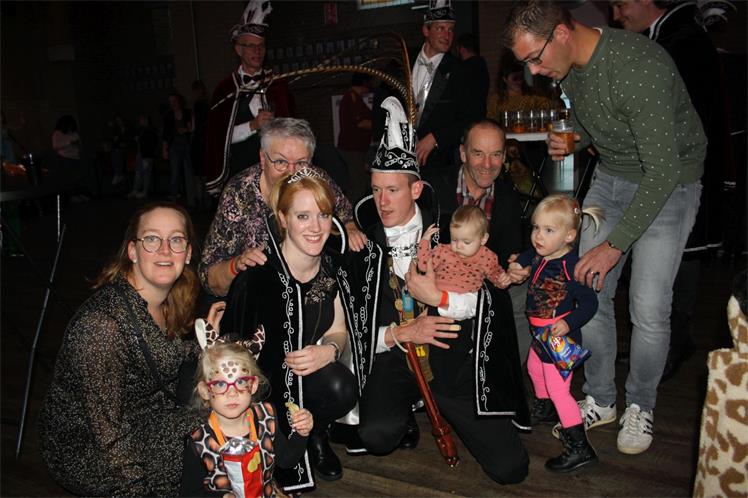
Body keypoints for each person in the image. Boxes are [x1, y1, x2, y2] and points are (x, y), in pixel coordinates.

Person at [504, 0, 706, 455]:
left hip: (669, 183)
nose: (533, 71)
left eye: (534, 58)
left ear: (561, 33)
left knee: (648, 306)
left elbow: (662, 170)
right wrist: (574, 138)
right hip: (613, 177)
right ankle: (602, 397)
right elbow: (598, 124)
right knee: (587, 285)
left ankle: (641, 404)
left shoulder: (639, 67)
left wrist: (614, 245)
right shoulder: (568, 70)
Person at [355, 96, 529, 484]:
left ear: (416, 190)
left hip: (451, 358)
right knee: (377, 436)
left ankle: (441, 403)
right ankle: (406, 405)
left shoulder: (450, 230)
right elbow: (353, 326)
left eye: (393, 190)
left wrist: (441, 300)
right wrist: (400, 333)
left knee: (511, 468)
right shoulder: (361, 244)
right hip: (395, 354)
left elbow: (488, 293)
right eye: (376, 189)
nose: (382, 202)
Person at [219, 169, 381, 489]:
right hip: (262, 393)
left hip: (311, 380)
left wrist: (329, 351)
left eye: (323, 215)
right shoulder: (256, 278)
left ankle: (316, 433)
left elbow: (338, 329)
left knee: (342, 386)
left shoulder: (332, 268)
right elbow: (230, 357)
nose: (316, 227)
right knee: (277, 463)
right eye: (303, 216)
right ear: (283, 218)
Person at [38, 201, 202, 496]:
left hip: (144, 417)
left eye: (176, 239)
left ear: (188, 253)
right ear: (133, 251)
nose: (165, 250)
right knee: (205, 447)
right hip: (88, 447)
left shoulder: (167, 300)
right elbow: (108, 433)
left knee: (229, 418)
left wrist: (212, 344)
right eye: (152, 239)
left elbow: (165, 351)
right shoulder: (102, 326)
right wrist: (137, 491)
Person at [610, 0, 728, 380]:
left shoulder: (683, 43)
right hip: (668, 169)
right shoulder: (667, 39)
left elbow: (679, 118)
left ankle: (675, 342)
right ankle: (666, 342)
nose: (617, 15)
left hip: (683, 172)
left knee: (679, 257)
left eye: (620, 4)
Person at [199, 117, 367, 298]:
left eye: (301, 163)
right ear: (263, 158)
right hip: (260, 297)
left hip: (311, 292)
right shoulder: (239, 194)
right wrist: (236, 265)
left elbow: (345, 214)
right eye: (280, 162)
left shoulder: (317, 180)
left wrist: (350, 228)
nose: (291, 172)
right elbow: (208, 277)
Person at [507, 194, 601, 472]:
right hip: (540, 335)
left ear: (569, 235)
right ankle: (546, 409)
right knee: (534, 369)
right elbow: (528, 254)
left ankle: (580, 448)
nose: (538, 236)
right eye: (536, 227)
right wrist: (519, 263)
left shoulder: (572, 267)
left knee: (560, 390)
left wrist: (569, 323)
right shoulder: (542, 253)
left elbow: (590, 303)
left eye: (548, 230)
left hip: (559, 337)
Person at [428, 119, 531, 363]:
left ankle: (504, 373)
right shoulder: (433, 185)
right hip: (441, 282)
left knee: (522, 295)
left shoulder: (507, 196)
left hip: (486, 281)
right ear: (463, 153)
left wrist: (518, 266)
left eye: (495, 155)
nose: (487, 164)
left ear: (504, 156)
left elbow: (513, 250)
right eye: (478, 154)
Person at [181, 341, 313, 497]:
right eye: (220, 384)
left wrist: (301, 434)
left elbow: (286, 460)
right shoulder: (200, 441)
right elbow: (190, 493)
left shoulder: (266, 417)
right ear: (205, 391)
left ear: (254, 385)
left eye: (241, 382)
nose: (232, 393)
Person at [205, 0, 295, 195]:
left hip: (276, 174)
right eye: (251, 46)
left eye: (261, 46)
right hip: (241, 175)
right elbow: (219, 139)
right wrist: (253, 125)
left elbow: (292, 128)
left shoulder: (277, 84)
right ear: (239, 49)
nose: (257, 51)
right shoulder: (225, 89)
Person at [411, 0, 484, 172]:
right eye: (441, 28)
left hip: (441, 164)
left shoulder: (460, 71)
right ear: (426, 30)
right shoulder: (403, 62)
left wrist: (435, 138)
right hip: (402, 161)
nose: (447, 35)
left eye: (451, 30)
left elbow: (473, 117)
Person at [417, 206, 508, 305]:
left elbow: (495, 274)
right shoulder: (443, 251)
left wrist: (502, 280)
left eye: (466, 242)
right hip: (438, 298)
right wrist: (424, 241)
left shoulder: (486, 256)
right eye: (454, 240)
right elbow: (423, 266)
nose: (458, 246)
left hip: (467, 304)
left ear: (483, 239)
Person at [337, 72, 373, 203]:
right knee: (358, 184)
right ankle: (351, 211)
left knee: (361, 181)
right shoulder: (352, 98)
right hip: (352, 148)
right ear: (364, 83)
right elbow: (361, 122)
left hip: (356, 148)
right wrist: (381, 126)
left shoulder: (355, 97)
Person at [456, 33, 489, 118]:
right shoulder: (481, 64)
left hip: (466, 117)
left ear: (462, 49)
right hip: (480, 113)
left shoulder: (462, 68)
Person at [128, 114, 159, 199]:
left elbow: (151, 144)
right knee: (138, 172)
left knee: (146, 174)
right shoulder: (140, 130)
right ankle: (135, 190)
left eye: (141, 120)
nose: (140, 122)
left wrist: (140, 140)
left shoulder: (151, 130)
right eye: (140, 120)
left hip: (147, 155)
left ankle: (145, 191)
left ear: (146, 120)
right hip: (140, 154)